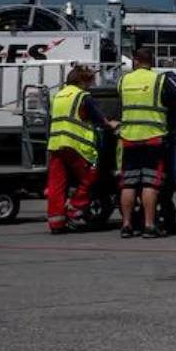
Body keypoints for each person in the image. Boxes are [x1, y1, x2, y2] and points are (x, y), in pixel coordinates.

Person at [116, 48, 176, 239]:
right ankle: (149, 225)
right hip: (152, 138)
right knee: (150, 184)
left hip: (128, 139)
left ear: (135, 61)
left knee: (129, 184)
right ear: (151, 61)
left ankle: (126, 225)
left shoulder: (123, 81)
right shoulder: (160, 80)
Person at [45, 64, 117, 234]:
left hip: (56, 144)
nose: (91, 85)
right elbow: (99, 119)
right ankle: (73, 208)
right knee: (90, 176)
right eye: (91, 82)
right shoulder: (83, 96)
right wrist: (111, 124)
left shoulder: (57, 96)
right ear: (82, 82)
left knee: (56, 185)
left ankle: (56, 223)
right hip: (75, 145)